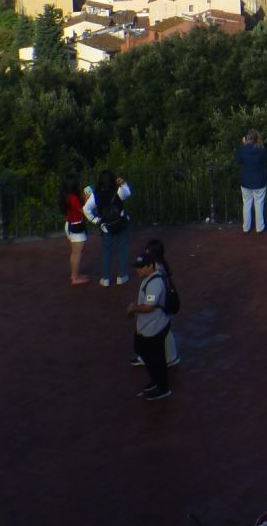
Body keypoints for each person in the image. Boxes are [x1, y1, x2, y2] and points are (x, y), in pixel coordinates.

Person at [126, 249, 172, 401]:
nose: (138, 269)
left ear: (150, 266)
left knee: (155, 358)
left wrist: (133, 308)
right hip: (148, 327)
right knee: (143, 351)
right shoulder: (150, 277)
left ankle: (162, 387)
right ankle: (156, 381)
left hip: (154, 327)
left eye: (141, 267)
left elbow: (149, 306)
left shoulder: (155, 283)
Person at [130, 239, 181, 370]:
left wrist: (135, 307)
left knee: (159, 332)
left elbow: (150, 304)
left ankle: (166, 358)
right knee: (164, 332)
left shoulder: (157, 268)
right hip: (162, 303)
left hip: (158, 306)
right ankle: (169, 357)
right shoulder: (160, 265)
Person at [84, 171, 132, 287]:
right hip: (120, 223)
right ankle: (122, 276)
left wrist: (95, 220)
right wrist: (123, 183)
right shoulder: (118, 191)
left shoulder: (95, 195)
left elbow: (86, 209)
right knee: (122, 249)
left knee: (106, 252)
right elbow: (128, 193)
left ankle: (105, 278)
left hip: (106, 226)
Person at [236, 130, 267, 234]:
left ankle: (246, 227)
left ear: (247, 138)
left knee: (246, 204)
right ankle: (259, 227)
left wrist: (242, 143)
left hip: (246, 180)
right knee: (259, 204)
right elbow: (265, 159)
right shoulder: (262, 149)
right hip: (259, 180)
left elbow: (238, 160)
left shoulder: (242, 149)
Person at [59, 173, 89, 285]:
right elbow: (82, 211)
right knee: (78, 253)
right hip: (76, 226)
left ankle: (75, 275)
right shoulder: (73, 198)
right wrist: (86, 200)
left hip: (70, 224)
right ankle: (75, 278)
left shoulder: (65, 196)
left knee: (74, 252)